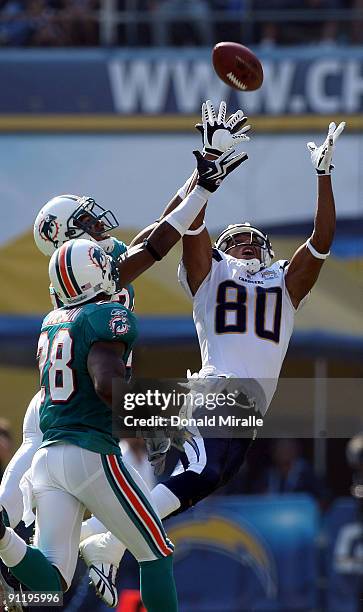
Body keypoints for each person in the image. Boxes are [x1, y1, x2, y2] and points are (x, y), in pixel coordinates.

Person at [78, 100, 346, 597]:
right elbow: (192, 225)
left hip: (210, 398)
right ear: (226, 251)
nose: (244, 245)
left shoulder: (286, 285)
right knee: (202, 471)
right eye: (237, 240)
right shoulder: (211, 273)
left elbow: (322, 240)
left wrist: (324, 176)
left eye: (252, 241)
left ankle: (100, 534)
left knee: (186, 476)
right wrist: (205, 169)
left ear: (267, 252)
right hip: (225, 395)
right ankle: (103, 539)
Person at [0, 144, 246, 608]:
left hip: (60, 418)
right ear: (72, 244)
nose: (100, 228)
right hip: (78, 419)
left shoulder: (63, 304)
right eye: (87, 225)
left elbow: (159, 230)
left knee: (49, 575)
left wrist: (199, 182)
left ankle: (34, 553)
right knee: (152, 546)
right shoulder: (99, 299)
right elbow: (156, 244)